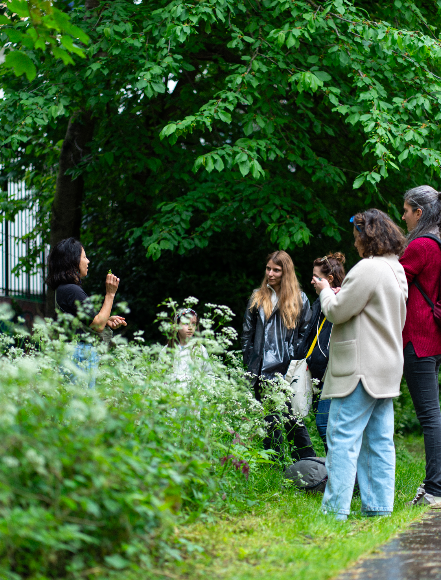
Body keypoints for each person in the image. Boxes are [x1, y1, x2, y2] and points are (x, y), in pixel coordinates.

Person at [314, 209, 407, 520]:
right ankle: (379, 507)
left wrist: (327, 292)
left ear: (367, 237)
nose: (354, 243)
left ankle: (334, 511)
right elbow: (370, 308)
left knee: (341, 439)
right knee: (378, 441)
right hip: (386, 367)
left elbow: (338, 312)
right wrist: (342, 295)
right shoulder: (396, 269)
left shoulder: (368, 268)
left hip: (360, 369)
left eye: (356, 237)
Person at [242, 250, 313, 463]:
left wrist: (293, 359)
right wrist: (250, 364)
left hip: (287, 369)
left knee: (294, 421)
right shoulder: (258, 296)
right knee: (269, 422)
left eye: (276, 270)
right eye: (268, 269)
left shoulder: (299, 298)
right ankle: (275, 467)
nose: (270, 274)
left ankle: (309, 465)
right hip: (261, 368)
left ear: (286, 272)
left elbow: (306, 333)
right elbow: (247, 333)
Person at [400, 186, 441, 507]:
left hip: (418, 338)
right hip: (432, 337)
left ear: (419, 212)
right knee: (432, 414)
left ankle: (435, 490)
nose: (403, 217)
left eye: (406, 211)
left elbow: (390, 285)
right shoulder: (439, 241)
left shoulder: (422, 245)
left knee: (429, 416)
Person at [47, 238, 127, 387]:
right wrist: (110, 294)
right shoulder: (71, 289)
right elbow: (97, 326)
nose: (88, 261)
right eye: (84, 257)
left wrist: (106, 319)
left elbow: (88, 321)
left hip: (72, 352)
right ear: (72, 260)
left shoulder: (64, 289)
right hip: (80, 353)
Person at [297, 253, 346, 453]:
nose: (311, 281)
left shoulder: (340, 301)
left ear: (329, 279)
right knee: (325, 426)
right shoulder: (319, 302)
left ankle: (346, 476)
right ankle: (338, 474)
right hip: (318, 372)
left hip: (333, 373)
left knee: (326, 425)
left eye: (316, 277)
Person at [166, 307, 212, 383]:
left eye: (193, 324)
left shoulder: (200, 350)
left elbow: (209, 374)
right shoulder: (167, 350)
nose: (190, 328)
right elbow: (159, 376)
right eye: (186, 323)